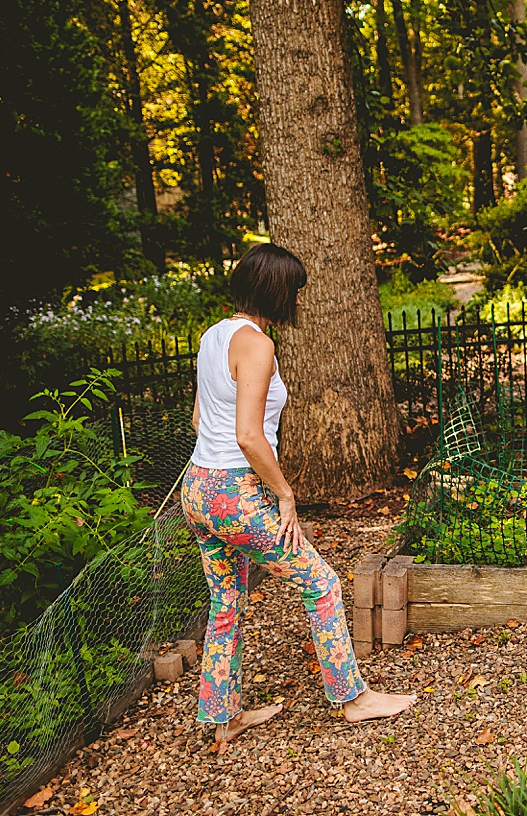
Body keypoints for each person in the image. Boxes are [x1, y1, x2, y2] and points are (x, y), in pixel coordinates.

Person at [184, 243, 416, 744]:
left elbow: (200, 419)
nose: (299, 300)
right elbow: (248, 435)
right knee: (323, 584)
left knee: (226, 601)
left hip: (198, 487)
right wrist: (284, 495)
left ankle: (223, 718)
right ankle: (354, 699)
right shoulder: (257, 345)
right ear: (278, 291)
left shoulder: (212, 337)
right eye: (296, 290)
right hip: (233, 490)